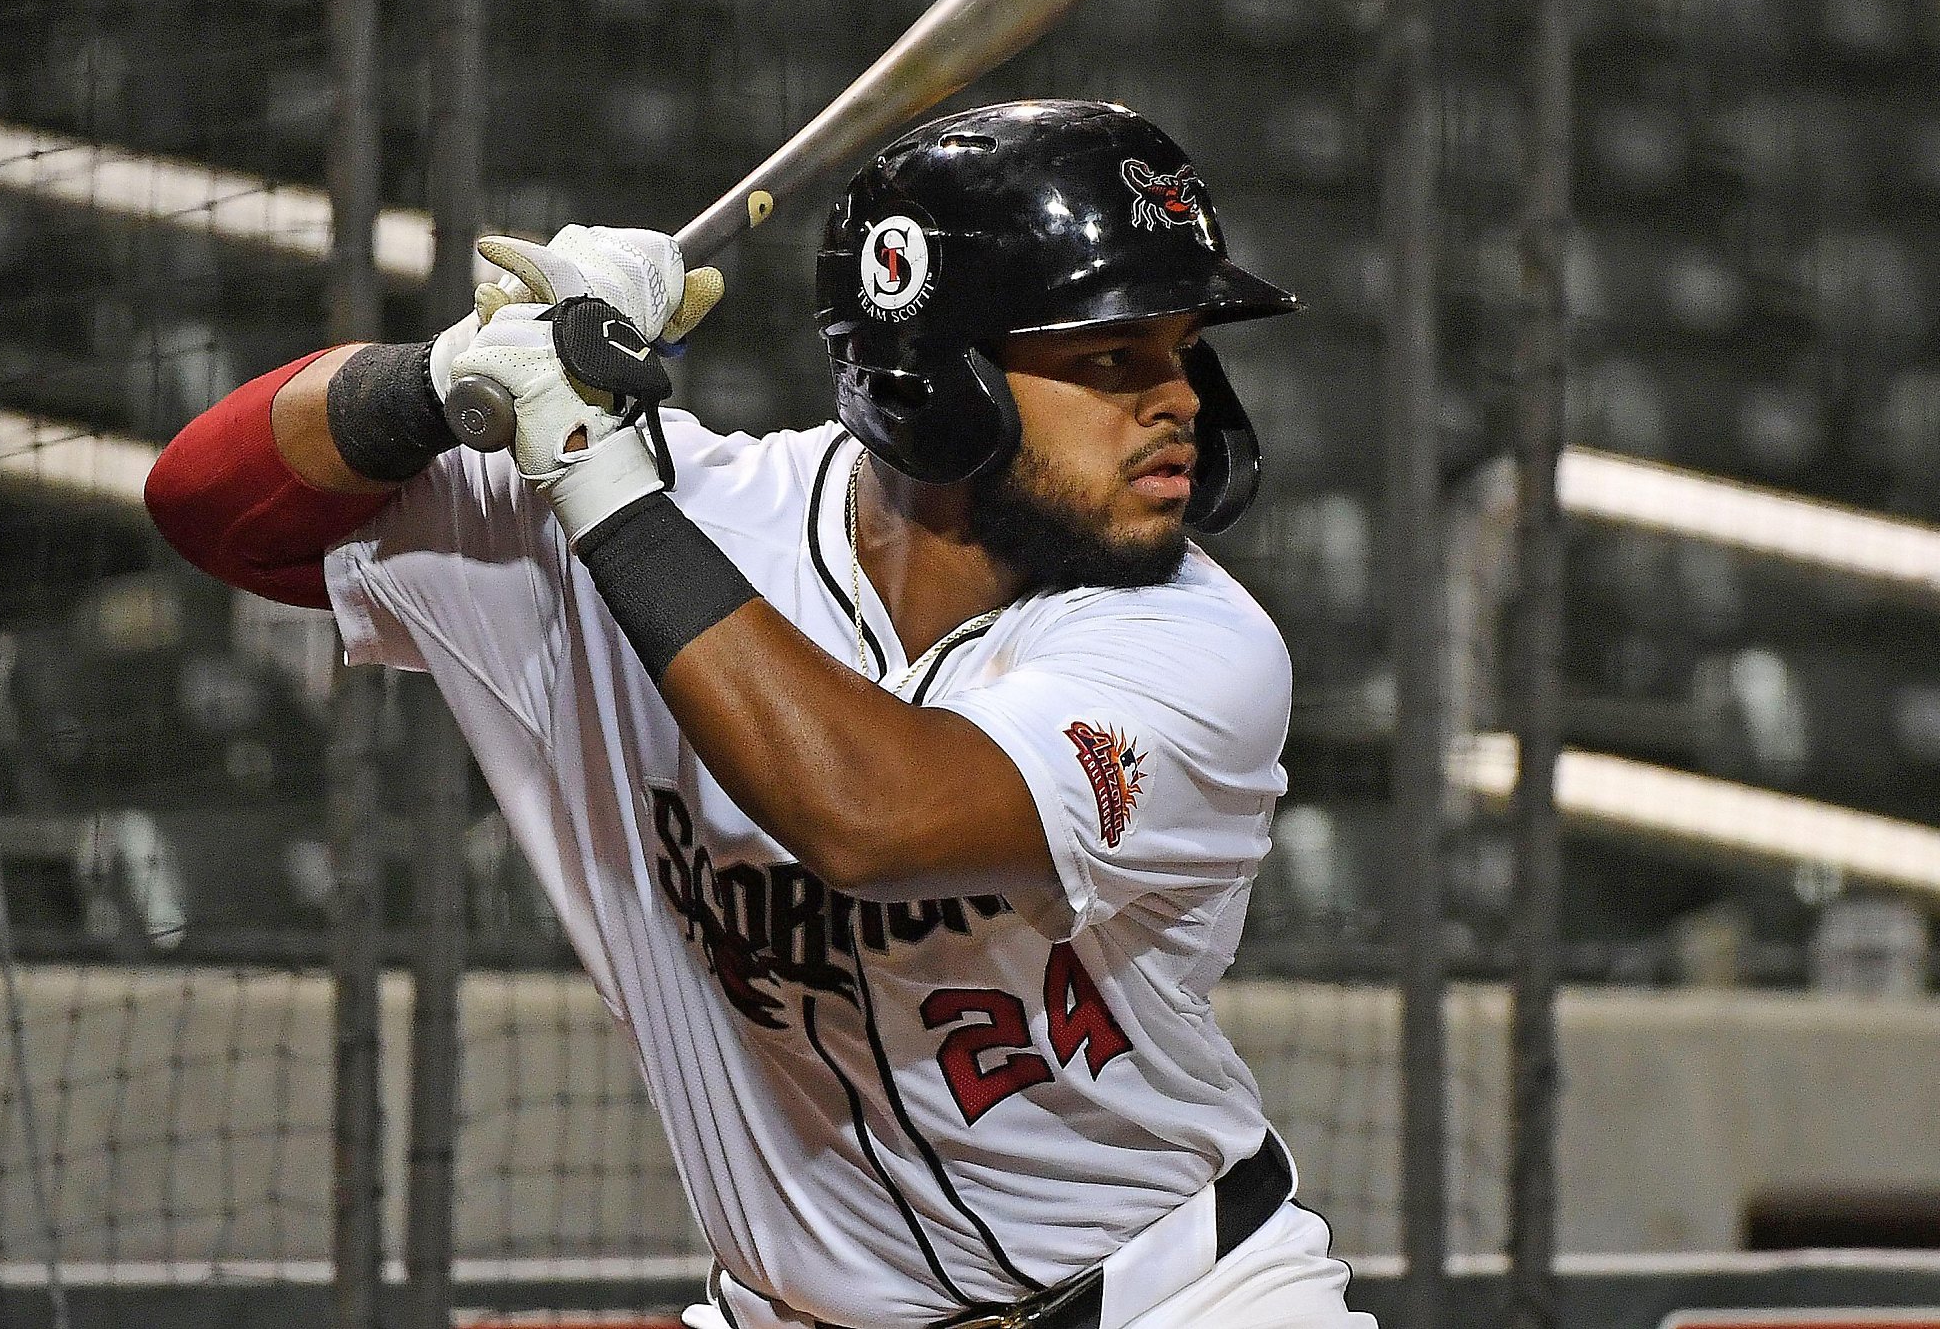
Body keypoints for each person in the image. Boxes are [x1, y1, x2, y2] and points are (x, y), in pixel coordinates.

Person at [146, 99, 1375, 1329]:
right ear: (929, 385)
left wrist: (588, 464)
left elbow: (866, 817)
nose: (1180, 404)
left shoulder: (1196, 645)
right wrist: (445, 375)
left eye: (1182, 351)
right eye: (1111, 359)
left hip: (1179, 1301)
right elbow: (211, 506)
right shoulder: (669, 511)